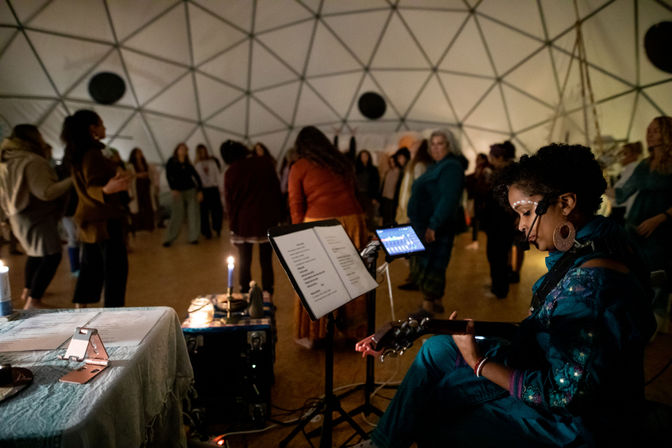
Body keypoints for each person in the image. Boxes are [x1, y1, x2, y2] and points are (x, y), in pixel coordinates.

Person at [354, 143, 656, 448]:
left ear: (565, 203)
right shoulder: (600, 239)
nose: (522, 226)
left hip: (574, 424)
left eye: (526, 212)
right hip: (539, 360)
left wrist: (478, 362)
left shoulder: (591, 285)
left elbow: (562, 395)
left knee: (437, 408)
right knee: (437, 349)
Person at [289, 126, 368, 348]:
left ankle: (316, 334)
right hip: (353, 220)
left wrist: (295, 239)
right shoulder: (340, 162)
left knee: (316, 280)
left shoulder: (299, 166)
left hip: (319, 224)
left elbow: (296, 205)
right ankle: (356, 331)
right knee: (352, 277)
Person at [62, 110, 131, 308]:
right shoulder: (92, 154)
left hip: (91, 220)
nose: (105, 128)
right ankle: (113, 313)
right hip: (105, 221)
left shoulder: (80, 152)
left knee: (91, 267)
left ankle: (81, 308)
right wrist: (106, 189)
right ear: (92, 128)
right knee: (115, 271)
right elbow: (92, 185)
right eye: (101, 124)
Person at [0, 124, 72, 309]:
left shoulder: (7, 159)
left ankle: (28, 290)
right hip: (36, 216)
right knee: (52, 254)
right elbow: (45, 192)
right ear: (34, 138)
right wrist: (73, 180)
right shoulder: (32, 161)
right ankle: (34, 300)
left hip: (17, 215)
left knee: (35, 254)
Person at [615, 116, 672, 331]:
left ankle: (657, 320)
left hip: (662, 230)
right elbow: (621, 193)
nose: (650, 133)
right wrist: (593, 184)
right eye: (648, 130)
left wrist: (661, 218)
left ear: (667, 133)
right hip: (635, 227)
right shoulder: (644, 165)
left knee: (657, 274)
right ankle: (638, 320)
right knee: (635, 272)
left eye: (656, 130)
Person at [404, 130, 465, 313]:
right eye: (433, 143)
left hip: (436, 226)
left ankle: (427, 307)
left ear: (449, 146)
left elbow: (448, 199)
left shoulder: (451, 167)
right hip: (426, 223)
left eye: (440, 143)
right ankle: (436, 301)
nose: (435, 147)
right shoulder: (437, 166)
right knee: (431, 262)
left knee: (431, 263)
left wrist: (434, 224)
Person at [221, 140, 282, 298]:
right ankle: (268, 294)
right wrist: (278, 218)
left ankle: (245, 295)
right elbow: (276, 191)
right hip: (266, 220)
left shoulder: (231, 172)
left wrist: (232, 228)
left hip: (243, 223)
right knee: (266, 261)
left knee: (244, 261)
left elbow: (230, 204)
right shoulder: (265, 163)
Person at [483, 141, 518, 298]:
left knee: (498, 255)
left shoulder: (508, 175)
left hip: (501, 222)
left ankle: (499, 289)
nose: (491, 161)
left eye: (493, 157)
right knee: (498, 254)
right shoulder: (507, 173)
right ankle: (497, 285)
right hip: (498, 221)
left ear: (501, 157)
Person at [162, 143, 203, 247]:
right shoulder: (171, 162)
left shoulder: (188, 163)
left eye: (185, 149)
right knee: (177, 215)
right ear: (177, 150)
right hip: (178, 191)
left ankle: (193, 237)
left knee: (193, 213)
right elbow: (168, 175)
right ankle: (169, 238)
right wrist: (173, 189)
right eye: (181, 149)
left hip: (190, 190)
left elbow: (196, 177)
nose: (183, 150)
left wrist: (200, 190)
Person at [395, 139, 432, 225]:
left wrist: (412, 211)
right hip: (405, 207)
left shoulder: (419, 165)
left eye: (416, 144)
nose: (412, 145)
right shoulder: (410, 164)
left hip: (412, 209)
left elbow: (418, 190)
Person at [194, 143, 223, 239]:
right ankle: (206, 232)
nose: (202, 153)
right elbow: (195, 179)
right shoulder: (197, 164)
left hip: (213, 189)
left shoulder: (212, 162)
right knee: (204, 212)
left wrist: (220, 188)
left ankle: (217, 228)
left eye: (204, 150)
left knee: (217, 210)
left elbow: (217, 175)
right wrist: (198, 191)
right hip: (203, 190)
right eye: (200, 151)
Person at [609, 141, 642, 224]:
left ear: (635, 155)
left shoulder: (633, 168)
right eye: (620, 153)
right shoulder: (627, 169)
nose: (621, 157)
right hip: (619, 211)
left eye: (625, 153)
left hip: (623, 212)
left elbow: (620, 194)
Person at [464, 153, 492, 250]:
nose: (477, 161)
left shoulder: (486, 171)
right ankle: (475, 241)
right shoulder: (480, 170)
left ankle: (477, 241)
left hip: (482, 201)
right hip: (477, 200)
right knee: (475, 220)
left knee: (479, 220)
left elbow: (485, 185)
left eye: (479, 159)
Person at [379, 147, 410, 227]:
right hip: (388, 198)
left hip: (396, 200)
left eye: (400, 157)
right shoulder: (390, 171)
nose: (398, 160)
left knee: (391, 219)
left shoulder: (401, 171)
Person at [127, 147, 155, 232]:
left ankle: (148, 225)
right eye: (138, 153)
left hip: (145, 185)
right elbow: (129, 175)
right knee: (138, 205)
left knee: (147, 204)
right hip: (137, 186)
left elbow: (150, 174)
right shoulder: (131, 165)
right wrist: (138, 175)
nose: (140, 154)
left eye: (141, 152)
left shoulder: (145, 164)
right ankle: (139, 226)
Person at [355, 149, 380, 231]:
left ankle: (370, 233)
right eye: (362, 156)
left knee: (369, 216)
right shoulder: (356, 169)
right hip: (358, 195)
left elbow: (376, 183)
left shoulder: (373, 169)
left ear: (369, 157)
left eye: (365, 156)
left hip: (369, 195)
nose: (364, 158)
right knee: (359, 215)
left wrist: (375, 197)